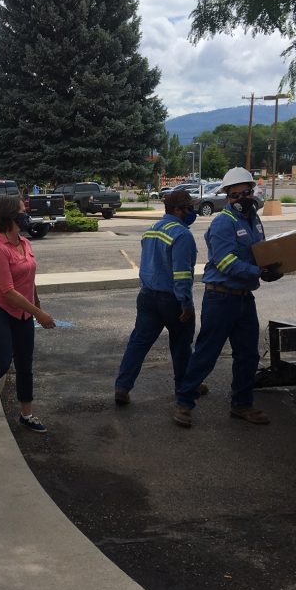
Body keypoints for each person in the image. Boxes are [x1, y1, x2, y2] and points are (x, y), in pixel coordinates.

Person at [172, 167, 282, 429]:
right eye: (236, 195)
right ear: (227, 197)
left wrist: (269, 269)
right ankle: (184, 403)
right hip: (221, 299)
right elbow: (224, 261)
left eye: (247, 192)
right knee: (206, 354)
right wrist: (256, 270)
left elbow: (259, 251)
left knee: (248, 355)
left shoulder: (253, 220)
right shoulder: (223, 222)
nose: (242, 198)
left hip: (244, 298)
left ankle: (242, 405)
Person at [0, 194, 56, 431]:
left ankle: (27, 415)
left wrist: (37, 304)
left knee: (25, 364)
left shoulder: (25, 243)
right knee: (2, 361)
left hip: (23, 312)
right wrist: (39, 314)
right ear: (10, 216)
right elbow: (7, 291)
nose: (26, 215)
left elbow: (29, 280)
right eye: (22, 211)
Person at [114, 189, 203, 404]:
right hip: (172, 299)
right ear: (177, 210)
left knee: (138, 343)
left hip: (147, 297)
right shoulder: (182, 235)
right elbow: (181, 274)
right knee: (181, 345)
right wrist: (186, 304)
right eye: (190, 208)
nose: (193, 212)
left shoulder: (151, 230)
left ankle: (122, 386)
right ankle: (184, 388)